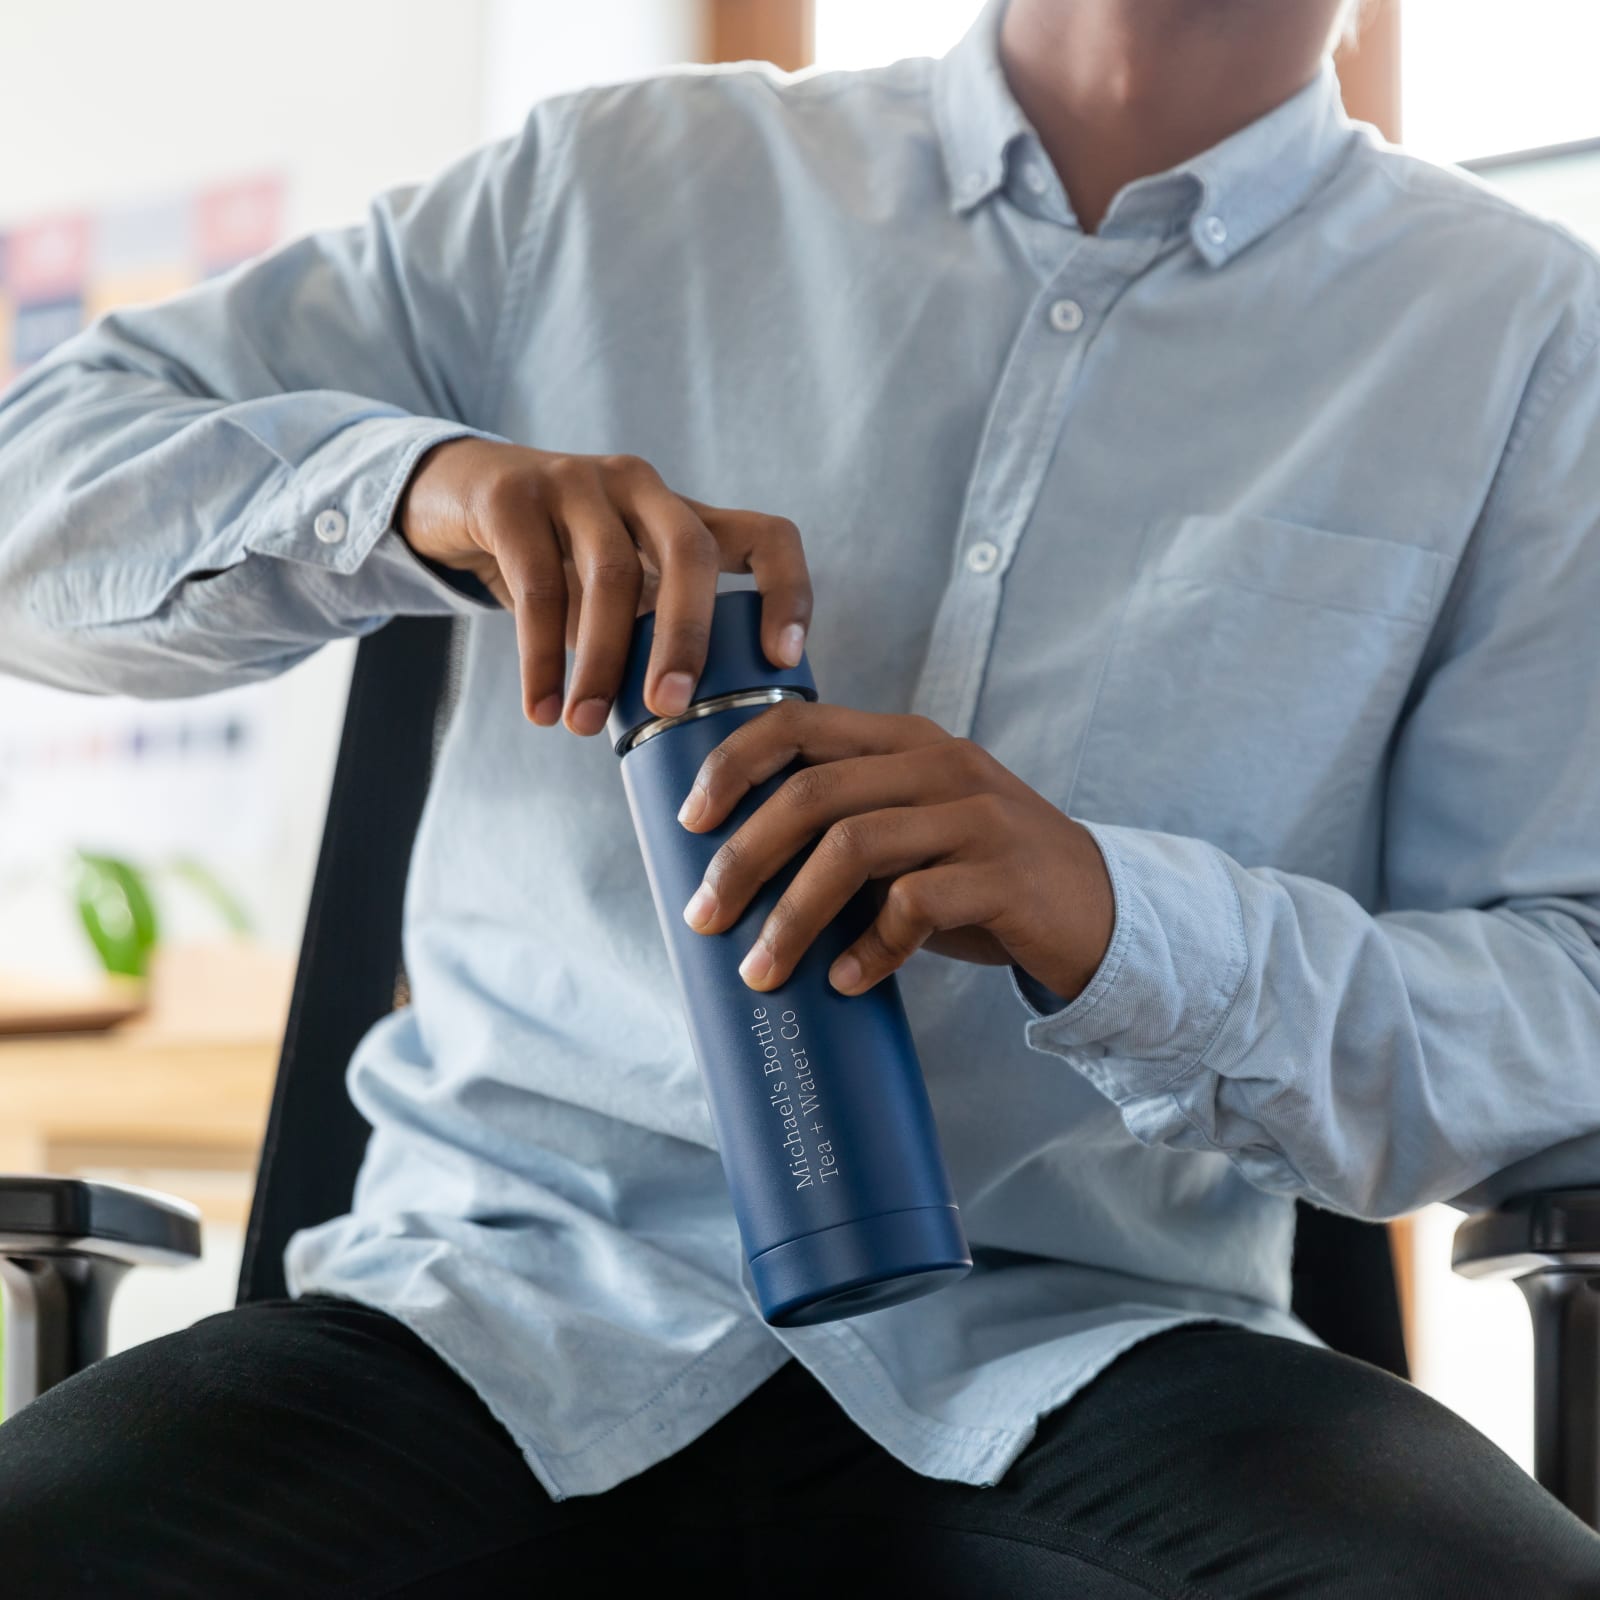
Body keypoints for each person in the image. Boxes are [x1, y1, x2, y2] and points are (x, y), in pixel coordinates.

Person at [2, 0, 1598, 1591]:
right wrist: (413, 489)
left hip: (1094, 1337)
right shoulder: (605, 182)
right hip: (489, 1313)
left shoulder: (1521, 335)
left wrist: (1125, 919)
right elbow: (34, 491)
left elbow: (1565, 989)